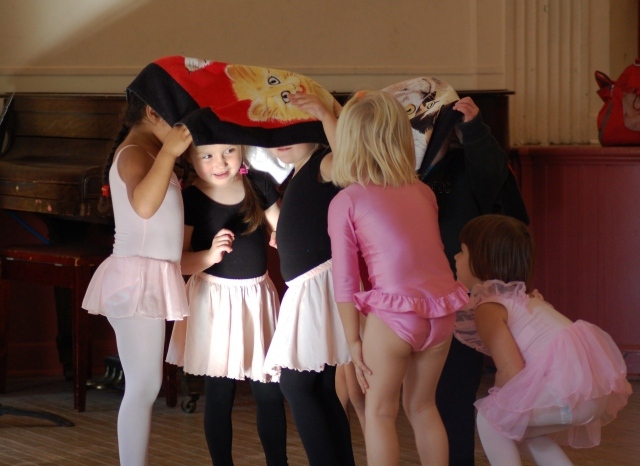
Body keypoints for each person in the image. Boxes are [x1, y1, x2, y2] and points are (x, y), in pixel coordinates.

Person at [328, 90, 470, 466]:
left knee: (379, 413)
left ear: (348, 141)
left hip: (394, 316)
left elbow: (345, 280)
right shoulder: (423, 192)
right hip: (441, 311)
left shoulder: (347, 200)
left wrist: (353, 340)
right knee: (423, 407)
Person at [453, 214, 632, 466]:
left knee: (491, 419)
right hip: (587, 392)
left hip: (566, 391)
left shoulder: (489, 308)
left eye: (461, 251)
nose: (455, 257)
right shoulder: (525, 300)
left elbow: (511, 370)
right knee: (522, 430)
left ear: (481, 260)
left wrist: (502, 406)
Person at [81, 85, 194, 464]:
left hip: (148, 278)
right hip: (135, 281)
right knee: (144, 386)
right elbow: (144, 206)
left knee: (146, 384)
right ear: (152, 113)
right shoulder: (133, 153)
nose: (185, 130)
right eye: (180, 121)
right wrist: (170, 153)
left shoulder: (150, 152)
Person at [420, 93, 528, 466]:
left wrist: (475, 130)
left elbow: (492, 174)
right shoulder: (403, 176)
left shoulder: (470, 165)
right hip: (418, 298)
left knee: (454, 394)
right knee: (426, 399)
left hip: (462, 299)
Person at [165, 137, 288, 466]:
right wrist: (209, 255)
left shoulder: (258, 184)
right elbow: (179, 262)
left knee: (269, 391)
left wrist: (284, 237)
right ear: (190, 157)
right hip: (214, 303)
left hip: (256, 300)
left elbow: (284, 229)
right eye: (207, 155)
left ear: (242, 149)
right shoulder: (191, 198)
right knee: (219, 393)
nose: (219, 163)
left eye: (228, 151)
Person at [261, 92, 356, 466]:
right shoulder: (298, 173)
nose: (281, 139)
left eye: (295, 128)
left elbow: (349, 163)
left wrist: (324, 114)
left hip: (320, 285)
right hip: (309, 286)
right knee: (319, 387)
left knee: (297, 383)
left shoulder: (324, 162)